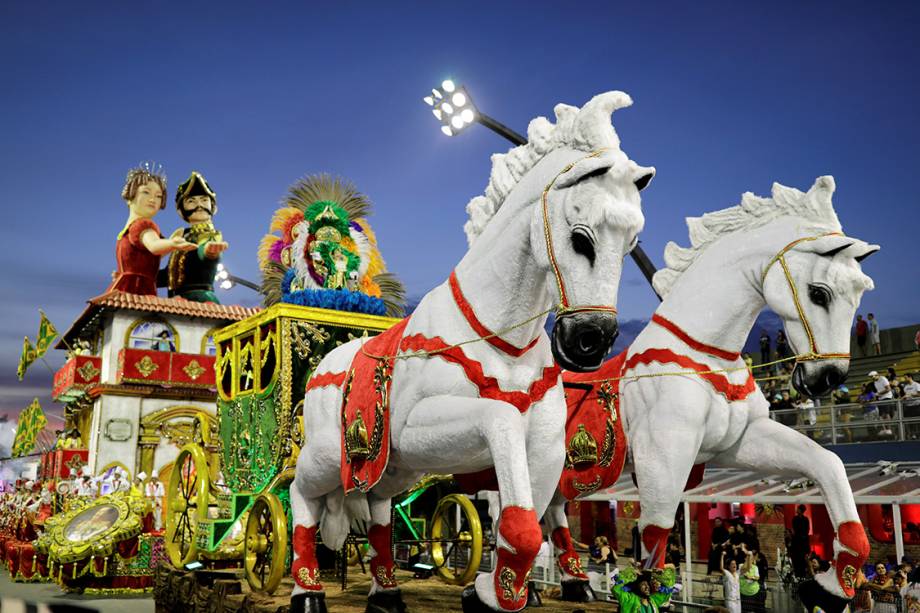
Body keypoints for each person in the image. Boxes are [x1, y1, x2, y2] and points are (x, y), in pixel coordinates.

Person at [108, 164, 196, 295]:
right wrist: (172, 243)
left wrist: (170, 244)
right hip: (138, 288)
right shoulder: (143, 224)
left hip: (125, 285)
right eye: (146, 192)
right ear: (129, 195)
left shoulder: (130, 228)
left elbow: (152, 253)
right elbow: (154, 246)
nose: (152, 199)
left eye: (158, 196)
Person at [162, 171, 229, 303]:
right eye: (191, 201)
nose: (199, 205)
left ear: (212, 206)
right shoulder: (181, 235)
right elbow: (169, 274)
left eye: (204, 200)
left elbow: (205, 250)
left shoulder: (211, 234)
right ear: (182, 209)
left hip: (200, 301)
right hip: (175, 301)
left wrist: (209, 252)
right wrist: (138, 275)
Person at [870, 370, 895, 436]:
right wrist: (877, 396)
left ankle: (889, 429)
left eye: (873, 376)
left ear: (877, 375)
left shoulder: (883, 379)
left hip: (887, 397)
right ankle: (884, 429)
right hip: (881, 399)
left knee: (886, 413)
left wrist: (878, 393)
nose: (872, 378)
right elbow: (879, 391)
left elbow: (888, 389)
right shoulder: (875, 382)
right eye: (871, 377)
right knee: (881, 415)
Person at [791, 505, 810, 578]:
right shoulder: (795, 519)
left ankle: (803, 576)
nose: (797, 510)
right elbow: (795, 529)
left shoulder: (806, 519)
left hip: (803, 542)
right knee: (797, 560)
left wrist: (804, 536)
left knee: (803, 561)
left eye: (798, 509)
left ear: (801, 510)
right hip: (796, 542)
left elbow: (807, 529)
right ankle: (797, 576)